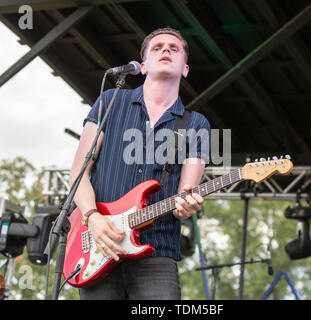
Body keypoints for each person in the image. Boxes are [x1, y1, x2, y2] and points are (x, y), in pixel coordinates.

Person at [69, 27, 211, 300]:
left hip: (156, 253)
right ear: (143, 66)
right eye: (157, 47)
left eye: (174, 48)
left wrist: (188, 205)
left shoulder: (196, 124)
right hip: (99, 244)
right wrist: (92, 217)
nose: (166, 50)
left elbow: (186, 196)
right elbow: (79, 172)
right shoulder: (110, 101)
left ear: (185, 69)